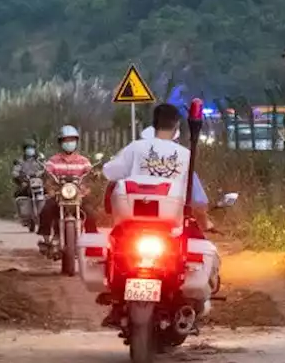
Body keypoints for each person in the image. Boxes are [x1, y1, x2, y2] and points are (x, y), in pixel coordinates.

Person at [101, 104, 212, 327]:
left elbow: (110, 172)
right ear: (177, 127)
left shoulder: (135, 148)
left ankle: (116, 304)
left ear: (153, 124)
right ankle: (188, 304)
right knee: (196, 256)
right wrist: (206, 220)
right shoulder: (184, 154)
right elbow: (198, 198)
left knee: (114, 252)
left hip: (131, 226)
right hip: (171, 228)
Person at [38, 125, 98, 253]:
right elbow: (47, 176)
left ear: (76, 142)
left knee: (90, 213)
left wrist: (87, 186)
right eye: (66, 140)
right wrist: (50, 189)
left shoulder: (83, 161)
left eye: (72, 140)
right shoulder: (53, 161)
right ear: (61, 143)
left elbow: (90, 176)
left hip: (78, 195)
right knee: (46, 209)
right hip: (59, 194)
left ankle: (93, 246)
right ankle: (46, 240)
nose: (69, 143)